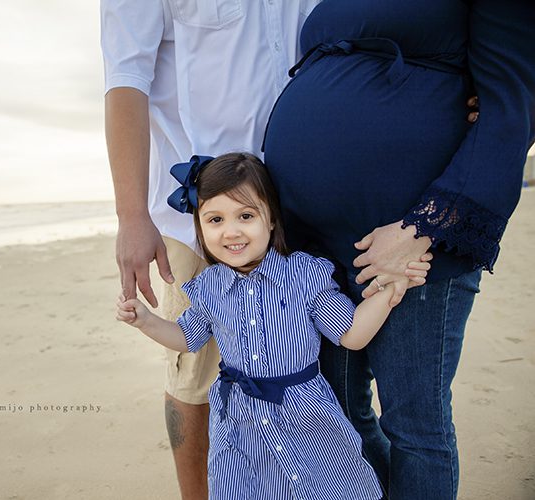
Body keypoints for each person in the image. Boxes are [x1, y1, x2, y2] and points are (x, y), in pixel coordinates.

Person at [261, 1, 535, 498]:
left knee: (414, 425)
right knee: (336, 413)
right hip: (312, 246)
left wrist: (420, 229)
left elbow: (511, 108)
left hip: (410, 249)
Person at [100, 2, 325, 497]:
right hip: (201, 219)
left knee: (299, 363)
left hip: (301, 203)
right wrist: (131, 215)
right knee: (195, 373)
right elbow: (126, 80)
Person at [116, 153, 430, 499]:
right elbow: (188, 338)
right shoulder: (209, 288)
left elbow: (352, 334)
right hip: (239, 423)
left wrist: (390, 291)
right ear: (200, 229)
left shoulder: (304, 276)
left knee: (324, 488)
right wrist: (146, 322)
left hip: (306, 418)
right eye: (215, 219)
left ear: (270, 221)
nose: (231, 231)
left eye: (246, 216)